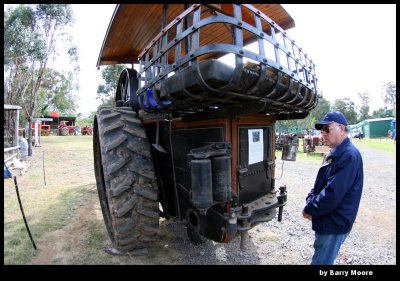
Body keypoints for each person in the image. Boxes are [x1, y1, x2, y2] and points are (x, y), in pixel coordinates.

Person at [302, 111, 364, 265]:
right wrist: (310, 199)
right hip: (328, 220)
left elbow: (332, 194)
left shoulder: (348, 155)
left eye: (327, 129)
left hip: (333, 224)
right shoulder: (336, 151)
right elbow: (322, 183)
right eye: (321, 130)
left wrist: (310, 209)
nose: (323, 133)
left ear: (342, 128)